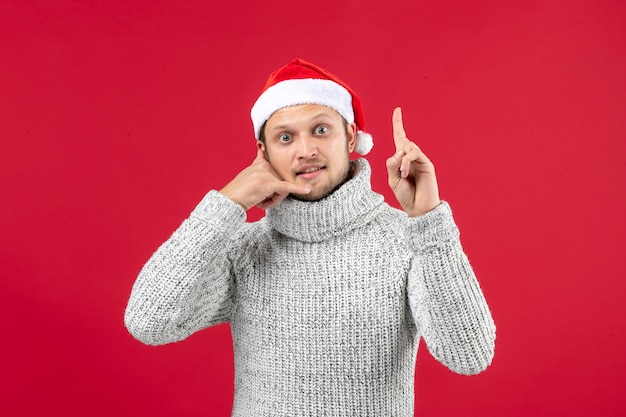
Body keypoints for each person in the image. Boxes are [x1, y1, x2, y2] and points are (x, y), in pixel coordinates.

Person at [124, 58, 496, 416]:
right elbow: (148, 321)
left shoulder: (405, 240)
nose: (306, 150)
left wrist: (428, 220)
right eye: (285, 137)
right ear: (263, 153)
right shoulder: (243, 250)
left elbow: (469, 354)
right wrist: (226, 203)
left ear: (350, 135)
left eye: (321, 129)